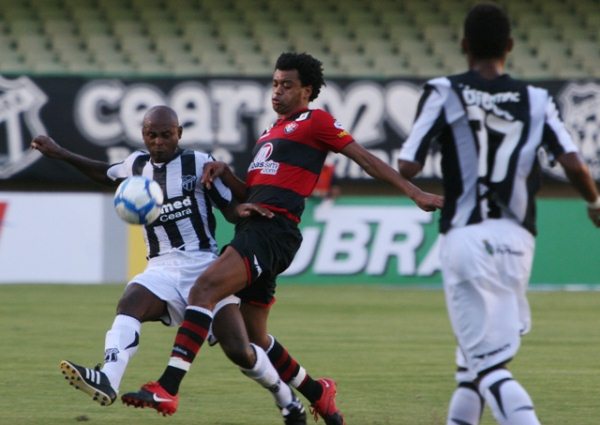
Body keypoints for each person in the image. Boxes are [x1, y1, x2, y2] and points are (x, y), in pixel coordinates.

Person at [121, 52, 444, 424]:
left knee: (204, 288)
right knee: (255, 337)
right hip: (255, 228)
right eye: (274, 84)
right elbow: (251, 195)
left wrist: (414, 192)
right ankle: (317, 392)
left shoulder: (315, 122)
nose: (277, 91)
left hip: (273, 231)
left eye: (287, 85)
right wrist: (225, 173)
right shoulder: (269, 132)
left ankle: (168, 387)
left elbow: (366, 159)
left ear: (307, 90)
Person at [30, 105, 321, 425]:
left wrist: (245, 210)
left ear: (179, 133)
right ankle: (108, 379)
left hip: (205, 266)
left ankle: (286, 400)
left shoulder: (199, 164)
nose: (158, 142)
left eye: (166, 135)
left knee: (241, 350)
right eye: (151, 135)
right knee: (129, 303)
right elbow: (104, 172)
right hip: (161, 266)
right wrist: (60, 153)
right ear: (143, 135)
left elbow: (229, 209)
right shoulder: (135, 166)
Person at [397, 4, 600, 425]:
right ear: (509, 46)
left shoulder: (443, 91)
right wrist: (595, 203)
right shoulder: (538, 99)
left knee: (489, 368)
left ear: (463, 46)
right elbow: (575, 163)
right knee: (471, 368)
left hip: (466, 237)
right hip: (518, 241)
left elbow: (407, 165)